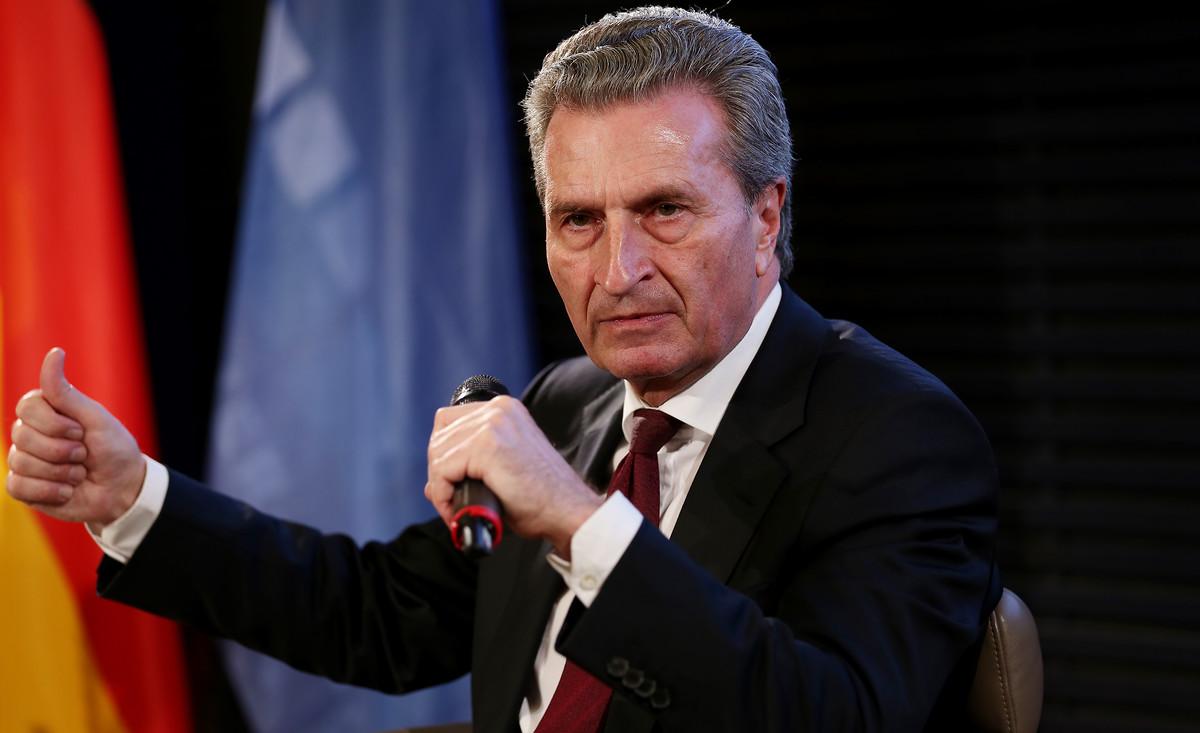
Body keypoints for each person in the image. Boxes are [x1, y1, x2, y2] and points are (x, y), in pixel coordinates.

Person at [6, 7, 1000, 732]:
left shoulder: (895, 436)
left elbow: (832, 713)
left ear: (766, 216)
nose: (619, 270)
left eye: (664, 210)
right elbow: (375, 616)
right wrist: (133, 497)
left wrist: (576, 517)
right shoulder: (567, 403)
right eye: (580, 221)